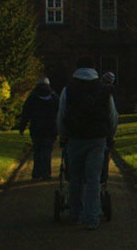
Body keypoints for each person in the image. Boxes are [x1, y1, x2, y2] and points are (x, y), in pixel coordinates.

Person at [57, 59, 118, 229]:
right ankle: (92, 217)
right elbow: (112, 115)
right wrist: (111, 135)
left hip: (75, 137)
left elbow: (61, 115)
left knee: (75, 177)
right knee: (94, 178)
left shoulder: (68, 89)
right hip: (97, 138)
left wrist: (62, 135)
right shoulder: (104, 90)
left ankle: (75, 214)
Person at [17, 77, 58, 181]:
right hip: (50, 128)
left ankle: (36, 173)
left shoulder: (33, 97)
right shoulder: (54, 97)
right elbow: (60, 112)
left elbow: (26, 112)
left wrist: (22, 126)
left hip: (36, 128)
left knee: (37, 151)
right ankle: (46, 173)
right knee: (47, 151)